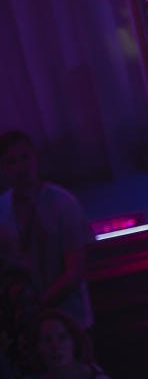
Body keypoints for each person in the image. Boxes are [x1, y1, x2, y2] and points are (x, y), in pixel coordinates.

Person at [0, 131, 94, 331]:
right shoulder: (2, 209)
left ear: (35, 158)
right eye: (11, 161)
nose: (20, 167)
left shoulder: (64, 203)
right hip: (26, 324)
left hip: (70, 321)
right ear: (4, 168)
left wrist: (36, 307)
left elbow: (74, 273)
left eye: (24, 157)